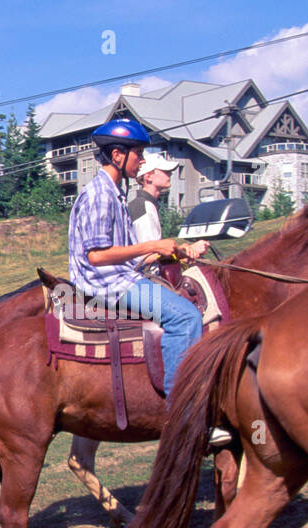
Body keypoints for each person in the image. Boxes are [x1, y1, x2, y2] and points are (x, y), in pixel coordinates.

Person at [68, 119, 218, 433]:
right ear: (118, 155)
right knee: (185, 316)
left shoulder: (115, 194)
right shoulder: (100, 195)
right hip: (106, 284)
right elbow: (95, 255)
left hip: (121, 277)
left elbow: (125, 250)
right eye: (139, 154)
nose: (142, 161)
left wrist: (175, 252)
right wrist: (151, 245)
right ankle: (183, 413)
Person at [127, 152, 180, 243]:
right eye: (166, 171)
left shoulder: (146, 204)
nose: (170, 174)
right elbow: (149, 253)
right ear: (148, 177)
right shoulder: (144, 206)